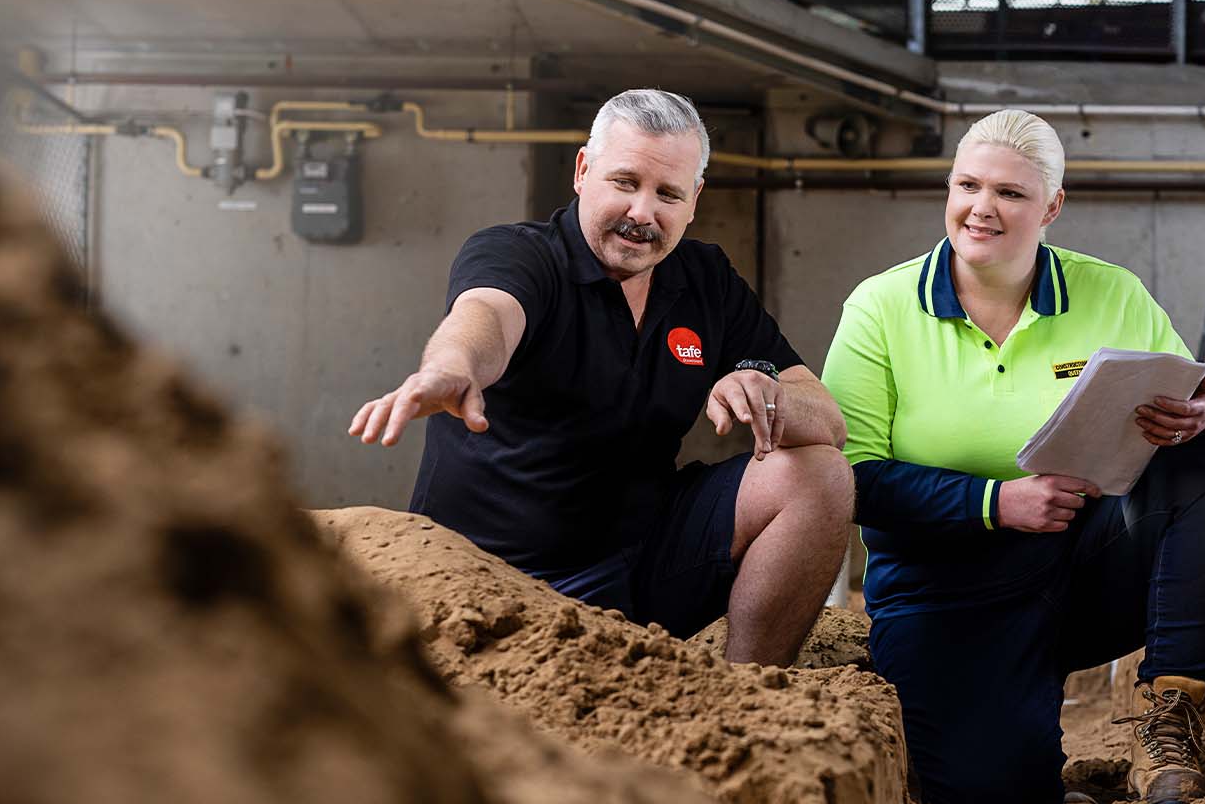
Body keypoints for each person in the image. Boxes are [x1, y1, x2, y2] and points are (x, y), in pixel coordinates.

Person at [821, 109, 1205, 804]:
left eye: (1010, 193)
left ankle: (1170, 716)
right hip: (944, 592)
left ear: (1051, 207)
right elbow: (850, 479)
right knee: (987, 796)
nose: (982, 208)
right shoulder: (881, 308)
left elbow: (1203, 404)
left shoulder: (1112, 293)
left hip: (1085, 566)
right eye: (968, 185)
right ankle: (1014, 730)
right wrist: (994, 503)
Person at [350, 89, 852, 666]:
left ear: (694, 201)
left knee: (821, 473)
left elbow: (828, 419)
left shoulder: (705, 279)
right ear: (583, 171)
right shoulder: (522, 256)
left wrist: (773, 399)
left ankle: (746, 697)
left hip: (638, 569)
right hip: (494, 580)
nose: (644, 212)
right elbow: (486, 315)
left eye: (668, 193)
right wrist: (452, 367)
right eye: (625, 182)